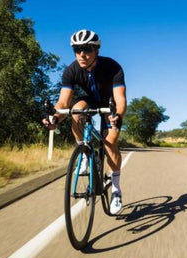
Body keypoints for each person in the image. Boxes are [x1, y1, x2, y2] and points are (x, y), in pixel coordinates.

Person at [42, 29, 127, 214]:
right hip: (89, 99)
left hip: (109, 104)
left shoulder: (113, 67)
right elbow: (63, 103)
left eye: (87, 49)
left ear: (96, 50)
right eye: (77, 49)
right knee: (76, 110)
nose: (82, 54)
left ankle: (117, 190)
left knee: (110, 142)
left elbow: (120, 99)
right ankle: (85, 153)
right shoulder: (71, 70)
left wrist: (117, 116)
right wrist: (55, 118)